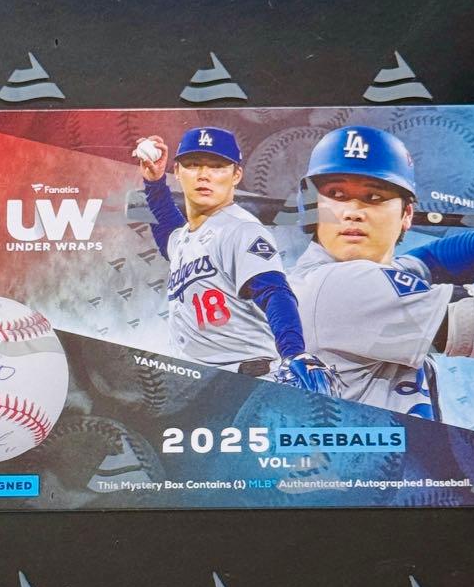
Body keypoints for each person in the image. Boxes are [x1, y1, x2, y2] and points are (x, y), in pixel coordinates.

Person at [288, 126, 474, 419]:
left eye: (373, 196)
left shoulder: (331, 277)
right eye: (336, 194)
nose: (352, 212)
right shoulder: (337, 287)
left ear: (407, 215)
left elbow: (431, 262)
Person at [134, 126, 332, 393]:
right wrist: (155, 182)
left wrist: (293, 352)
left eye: (217, 166)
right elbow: (167, 231)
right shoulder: (185, 238)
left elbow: (274, 291)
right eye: (193, 165)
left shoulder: (240, 229)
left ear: (236, 174)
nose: (204, 175)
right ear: (177, 171)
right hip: (203, 387)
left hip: (246, 380)